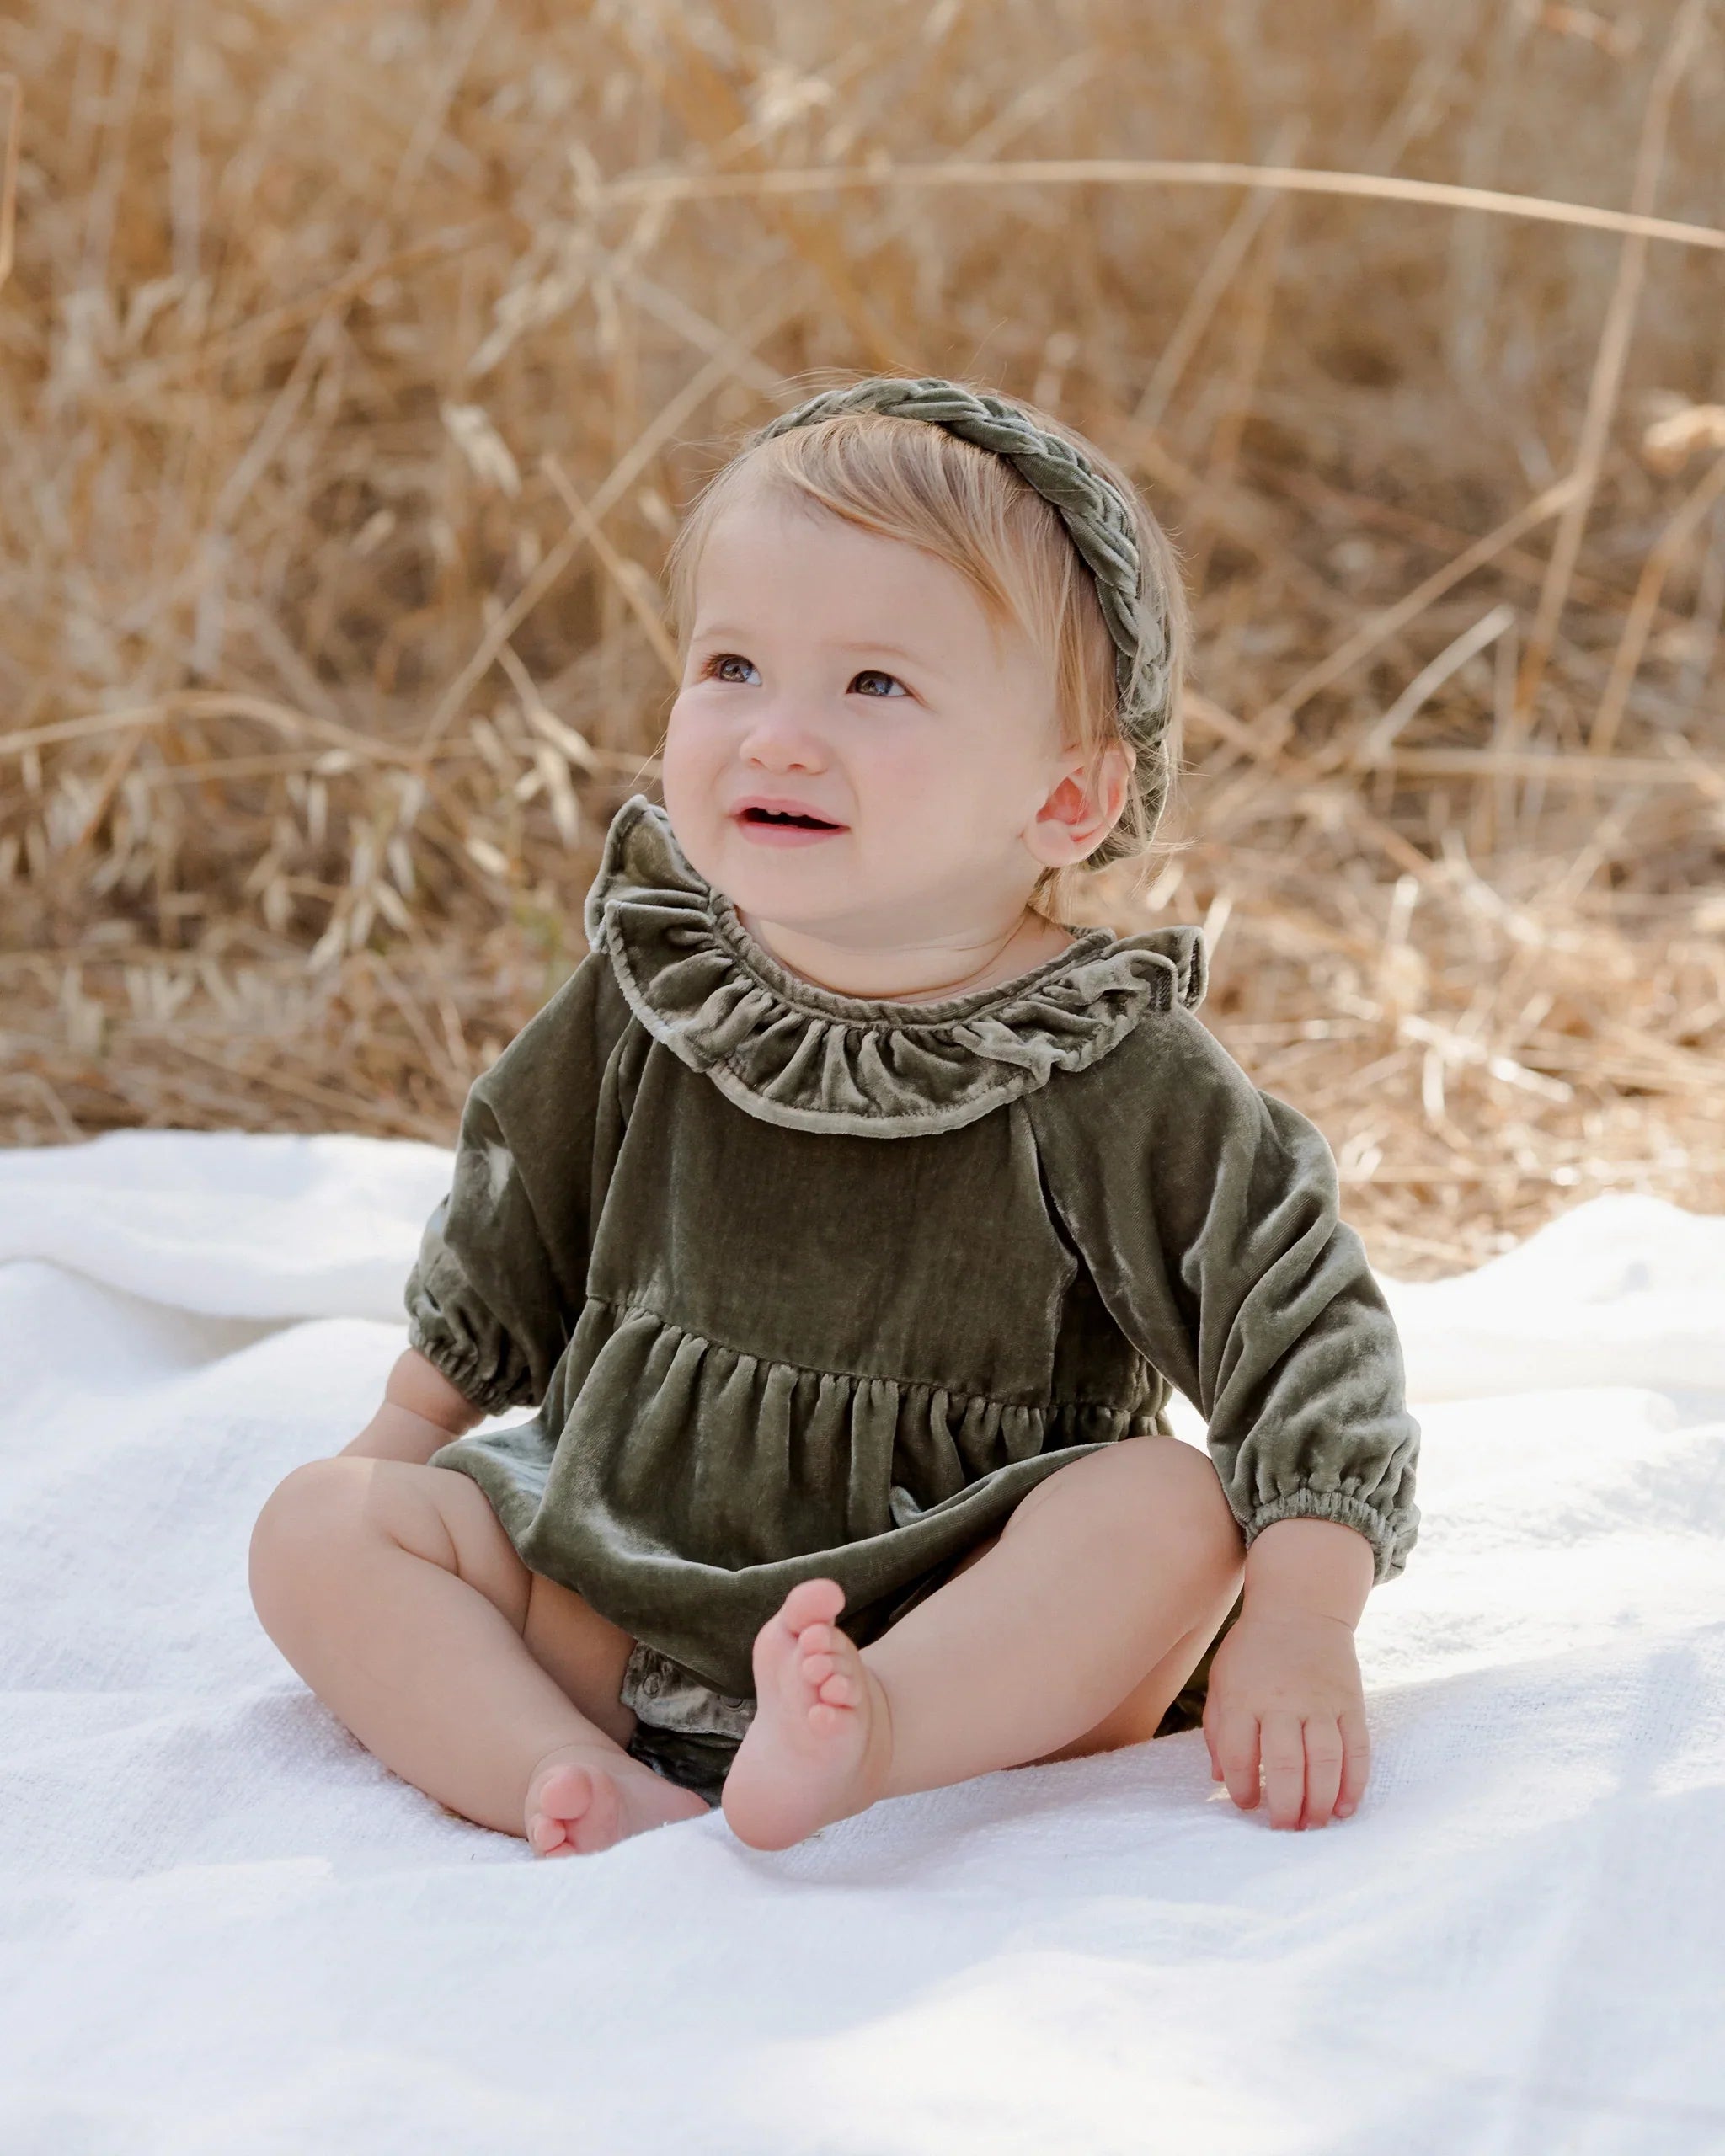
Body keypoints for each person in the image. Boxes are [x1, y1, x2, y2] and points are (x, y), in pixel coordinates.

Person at [248, 374, 1420, 1860]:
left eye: (874, 686)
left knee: (1172, 1510)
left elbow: (1301, 1323)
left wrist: (1307, 1616)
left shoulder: (1109, 1068)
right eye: (732, 664)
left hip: (966, 1614)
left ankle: (870, 1737)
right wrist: (406, 1433)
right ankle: (564, 1768)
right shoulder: (659, 985)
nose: (777, 736)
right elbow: (514, 1209)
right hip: (613, 1575)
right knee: (318, 1524)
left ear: (1067, 799)